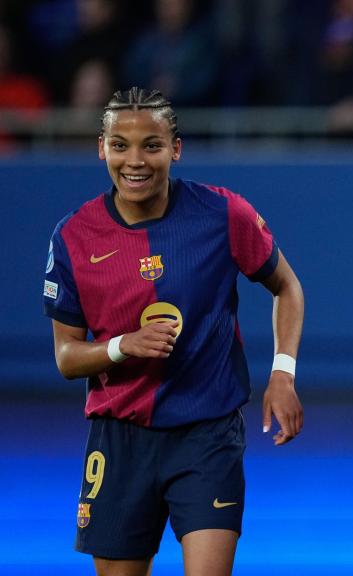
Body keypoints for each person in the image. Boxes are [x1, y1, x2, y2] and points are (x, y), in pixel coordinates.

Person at [43, 87, 304, 576]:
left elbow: (287, 286)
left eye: (151, 145)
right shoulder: (73, 237)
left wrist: (283, 373)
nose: (135, 160)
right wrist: (124, 346)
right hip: (120, 439)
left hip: (208, 434)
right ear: (101, 148)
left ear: (175, 149)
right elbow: (66, 356)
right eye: (119, 145)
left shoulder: (223, 214)